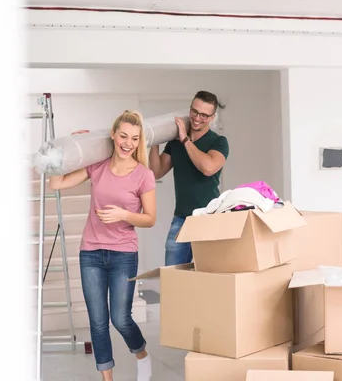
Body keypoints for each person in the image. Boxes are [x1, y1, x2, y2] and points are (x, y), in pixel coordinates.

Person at [49, 110, 157, 381]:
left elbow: (150, 218)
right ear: (113, 135)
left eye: (134, 138)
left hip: (123, 253)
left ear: (138, 141)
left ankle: (142, 354)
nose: (128, 142)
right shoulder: (97, 166)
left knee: (120, 319)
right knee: (98, 322)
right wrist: (69, 150)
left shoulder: (144, 175)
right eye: (123, 135)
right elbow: (57, 183)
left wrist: (123, 215)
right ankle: (107, 378)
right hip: (91, 253)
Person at [148, 90, 230, 265]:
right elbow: (156, 172)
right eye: (194, 111)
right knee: (173, 274)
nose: (197, 118)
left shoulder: (218, 142)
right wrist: (154, 141)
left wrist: (185, 139)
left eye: (204, 115)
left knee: (208, 274)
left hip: (208, 217)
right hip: (181, 218)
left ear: (212, 117)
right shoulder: (175, 143)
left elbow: (208, 168)